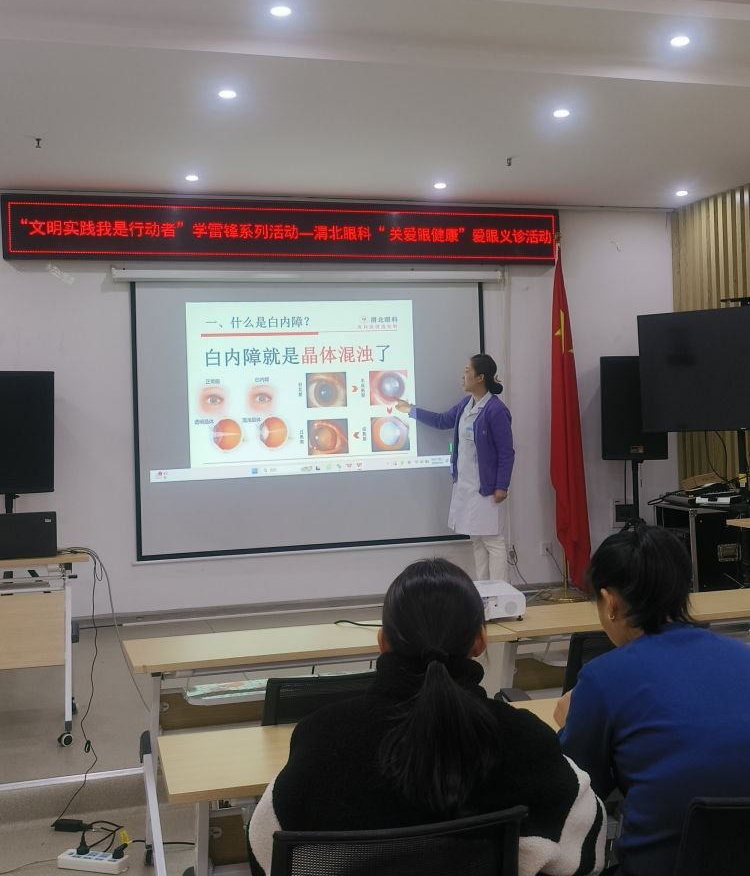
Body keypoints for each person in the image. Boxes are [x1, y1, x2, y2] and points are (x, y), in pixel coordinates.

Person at [249, 558, 605, 876]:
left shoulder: (322, 736)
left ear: (382, 641)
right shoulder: (523, 738)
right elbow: (586, 848)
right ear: (480, 641)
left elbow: (265, 849)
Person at [555, 525, 750, 876]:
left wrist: (571, 721)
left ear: (610, 602)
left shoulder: (604, 678)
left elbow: (575, 789)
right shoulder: (744, 656)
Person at [395, 353, 514, 580]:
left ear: (480, 378)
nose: (463, 375)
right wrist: (411, 410)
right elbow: (441, 421)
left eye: (467, 371)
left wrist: (502, 485)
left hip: (487, 487)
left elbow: (506, 452)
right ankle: (483, 591)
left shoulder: (496, 410)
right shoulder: (465, 405)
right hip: (466, 485)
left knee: (493, 540)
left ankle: (499, 592)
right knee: (477, 540)